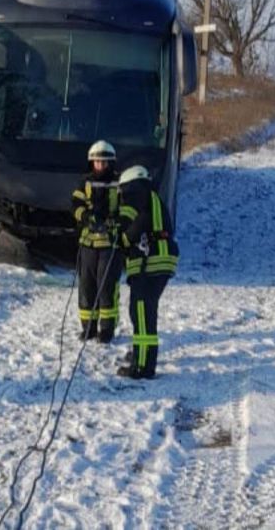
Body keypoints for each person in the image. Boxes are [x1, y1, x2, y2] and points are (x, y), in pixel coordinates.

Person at [116, 165, 179, 379]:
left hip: (151, 263)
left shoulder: (138, 194)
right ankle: (140, 356)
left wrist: (123, 238)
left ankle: (142, 367)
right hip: (159, 260)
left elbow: (137, 223)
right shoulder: (152, 197)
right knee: (141, 312)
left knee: (142, 313)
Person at [71, 140, 122, 343]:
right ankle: (88, 328)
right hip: (88, 245)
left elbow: (126, 209)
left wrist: (112, 222)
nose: (100, 165)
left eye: (104, 162)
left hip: (110, 245)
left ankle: (107, 330)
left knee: (107, 288)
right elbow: (75, 205)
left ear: (110, 162)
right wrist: (87, 218)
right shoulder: (85, 182)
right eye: (97, 162)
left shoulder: (119, 183)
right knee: (86, 287)